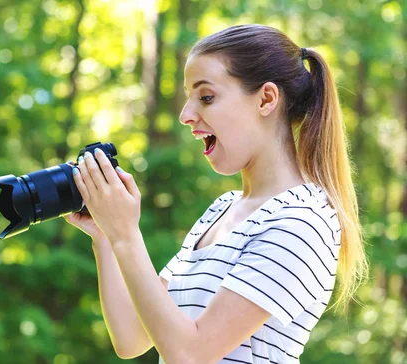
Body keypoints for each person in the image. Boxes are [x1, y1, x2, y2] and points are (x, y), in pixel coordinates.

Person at [63, 24, 368, 364]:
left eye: (206, 97)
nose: (185, 115)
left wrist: (125, 234)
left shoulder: (301, 220)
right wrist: (106, 236)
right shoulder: (222, 210)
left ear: (266, 99)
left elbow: (190, 355)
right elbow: (132, 338)